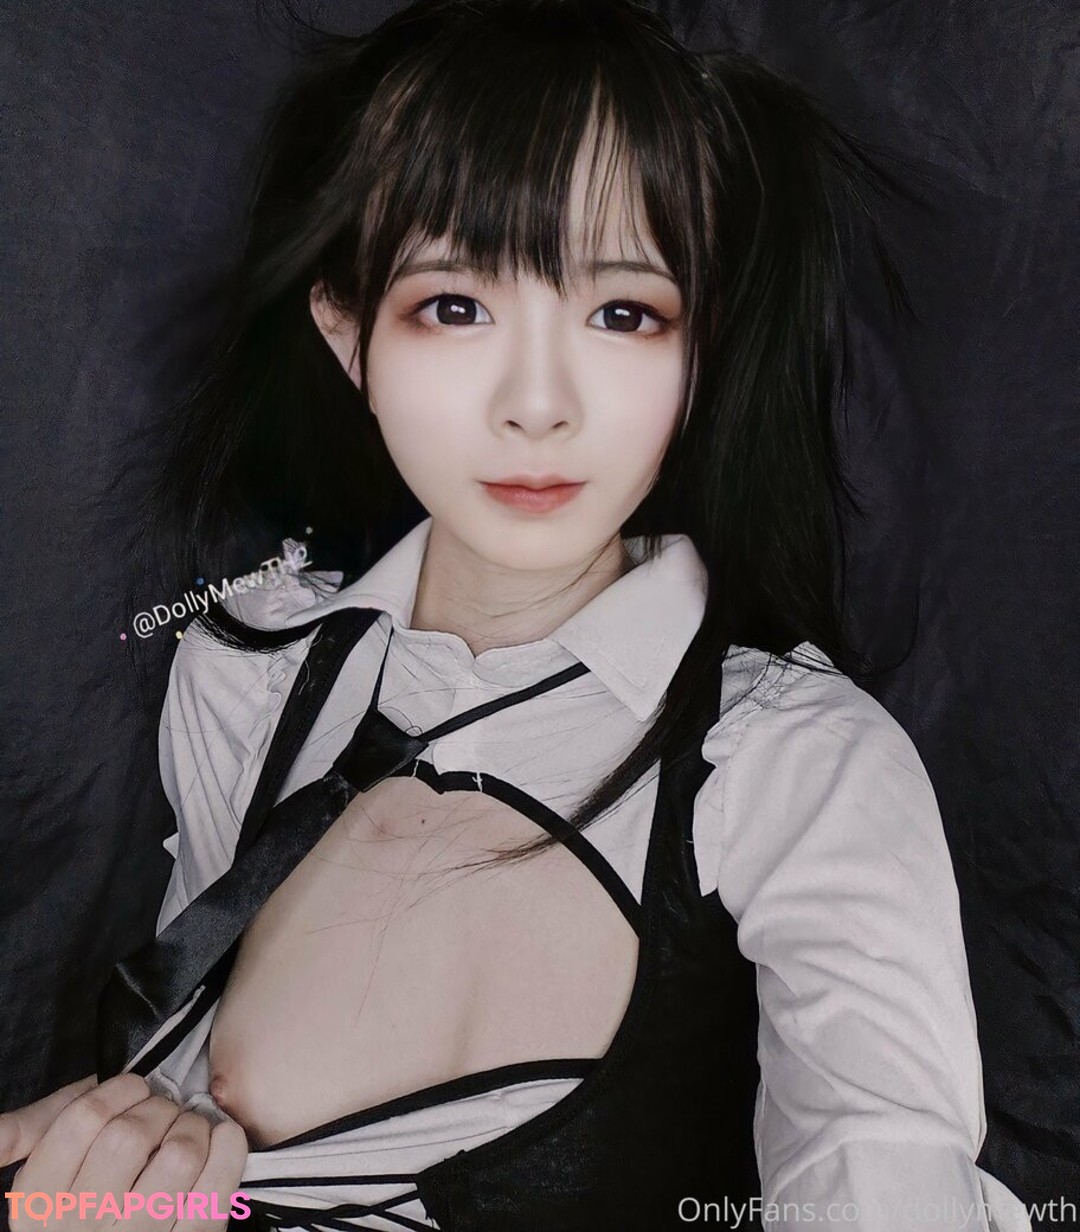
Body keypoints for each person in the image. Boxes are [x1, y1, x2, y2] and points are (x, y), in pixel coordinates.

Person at [0, 1, 1033, 1229]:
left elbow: (884, 1176)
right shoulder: (247, 672)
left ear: (700, 353)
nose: (537, 404)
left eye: (623, 313)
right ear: (348, 332)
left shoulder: (790, 768)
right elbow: (157, 1121)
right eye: (456, 305)